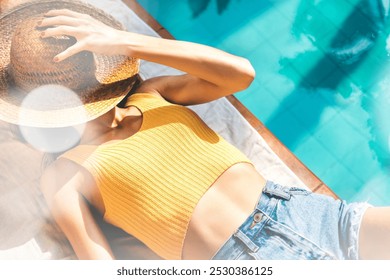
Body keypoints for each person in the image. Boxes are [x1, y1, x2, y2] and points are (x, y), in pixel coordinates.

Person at [1, 0, 390, 260]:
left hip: (307, 210)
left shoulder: (152, 94)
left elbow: (240, 73)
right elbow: (98, 261)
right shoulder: (63, 175)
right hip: (242, 256)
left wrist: (125, 42)